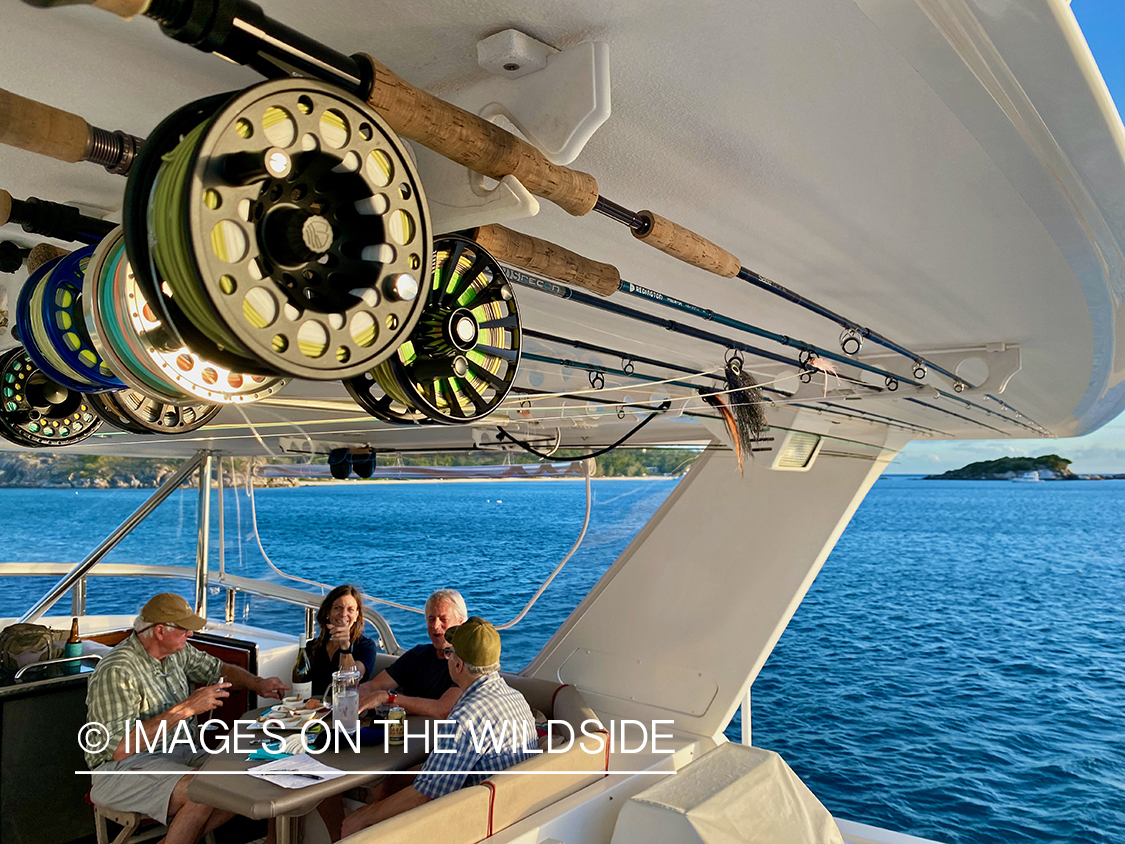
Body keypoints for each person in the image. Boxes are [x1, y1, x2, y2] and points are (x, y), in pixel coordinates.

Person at [86, 593, 289, 844]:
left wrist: (257, 683)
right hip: (119, 769)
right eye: (185, 630)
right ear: (160, 631)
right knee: (203, 789)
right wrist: (187, 708)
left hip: (179, 752)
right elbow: (120, 749)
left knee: (250, 773)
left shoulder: (177, 653)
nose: (190, 634)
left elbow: (219, 669)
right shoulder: (117, 670)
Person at [341, 617, 537, 836]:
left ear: (458, 664)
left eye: (449, 653)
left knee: (355, 825)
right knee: (388, 785)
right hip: (509, 810)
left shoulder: (466, 717)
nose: (447, 658)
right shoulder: (516, 698)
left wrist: (364, 817)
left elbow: (425, 795)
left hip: (474, 823)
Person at [357, 588, 467, 718]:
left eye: (443, 619)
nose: (435, 626)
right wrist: (346, 696)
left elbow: (443, 709)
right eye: (431, 619)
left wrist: (389, 698)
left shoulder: (466, 665)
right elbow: (374, 686)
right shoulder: (417, 655)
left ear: (460, 623)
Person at [306, 584, 378, 696]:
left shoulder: (366, 646)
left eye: (350, 609)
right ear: (328, 612)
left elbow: (350, 682)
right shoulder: (312, 646)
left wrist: (345, 647)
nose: (343, 614)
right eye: (337, 608)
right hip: (313, 710)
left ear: (356, 615)